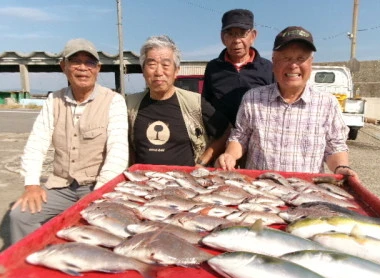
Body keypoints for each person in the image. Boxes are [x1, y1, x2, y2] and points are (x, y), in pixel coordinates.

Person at [10, 38, 129, 243]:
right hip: (60, 185)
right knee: (20, 216)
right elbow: (36, 143)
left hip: (96, 185)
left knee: (94, 230)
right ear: (63, 66)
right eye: (75, 61)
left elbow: (117, 151)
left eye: (89, 62)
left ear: (98, 68)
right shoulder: (53, 100)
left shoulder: (113, 101)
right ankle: (32, 266)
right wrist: (31, 184)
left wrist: (98, 194)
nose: (83, 68)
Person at [215, 26, 359, 180]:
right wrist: (229, 155)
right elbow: (240, 137)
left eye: (300, 58)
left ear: (311, 63)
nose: (293, 65)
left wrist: (341, 167)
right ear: (274, 62)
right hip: (260, 191)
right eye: (286, 58)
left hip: (305, 192)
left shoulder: (327, 103)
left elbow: (335, 146)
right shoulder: (252, 98)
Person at [126, 35, 231, 167]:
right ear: (143, 70)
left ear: (176, 71)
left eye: (165, 65)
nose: (158, 72)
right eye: (151, 64)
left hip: (185, 183)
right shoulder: (129, 104)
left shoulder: (194, 102)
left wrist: (203, 160)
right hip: (144, 182)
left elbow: (225, 130)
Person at [202, 8, 274, 126]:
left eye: (242, 33)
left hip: (257, 137)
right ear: (222, 37)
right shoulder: (213, 68)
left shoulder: (267, 68)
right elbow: (206, 102)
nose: (236, 40)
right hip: (223, 138)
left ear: (253, 36)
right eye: (230, 34)